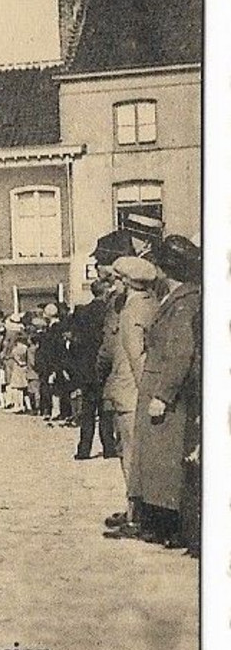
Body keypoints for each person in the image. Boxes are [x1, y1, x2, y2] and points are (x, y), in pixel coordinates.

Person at [133, 236, 201, 551]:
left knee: (166, 462)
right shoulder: (175, 298)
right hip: (158, 386)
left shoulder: (184, 301)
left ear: (165, 269)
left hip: (166, 392)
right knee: (158, 460)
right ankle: (162, 525)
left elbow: (181, 352)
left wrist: (164, 394)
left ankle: (172, 528)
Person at [102, 256, 161, 540]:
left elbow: (136, 357)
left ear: (126, 282)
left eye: (117, 280)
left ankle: (137, 516)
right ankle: (137, 511)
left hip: (131, 391)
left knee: (130, 455)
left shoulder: (130, 311)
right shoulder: (153, 304)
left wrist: (144, 392)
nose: (114, 285)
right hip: (140, 390)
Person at [69, 279, 118, 459]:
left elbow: (74, 343)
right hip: (104, 367)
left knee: (87, 411)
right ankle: (109, 447)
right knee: (106, 410)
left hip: (86, 369)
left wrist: (79, 365)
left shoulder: (82, 312)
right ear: (105, 292)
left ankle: (83, 450)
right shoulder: (108, 312)